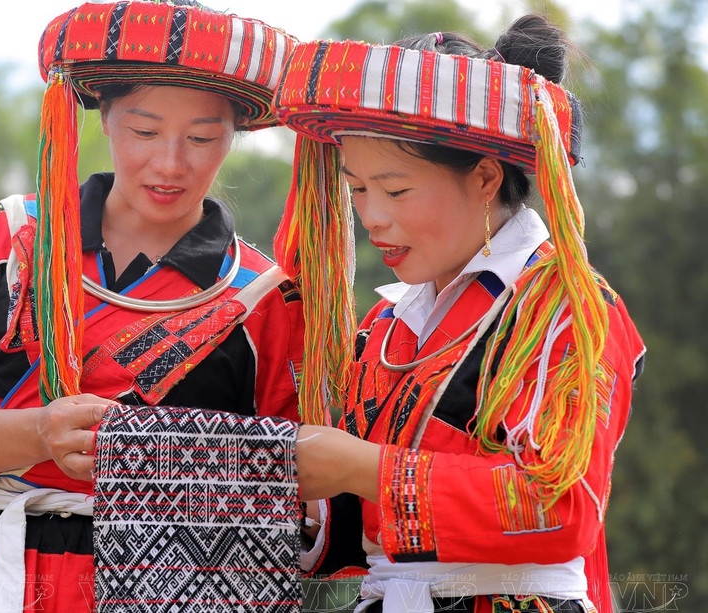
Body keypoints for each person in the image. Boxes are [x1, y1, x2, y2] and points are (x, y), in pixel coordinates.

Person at [0, 2, 304, 611]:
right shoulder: (13, 238)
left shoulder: (261, 294)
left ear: (236, 132)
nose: (171, 163)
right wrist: (36, 433)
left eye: (203, 137)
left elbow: (293, 473)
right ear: (103, 116)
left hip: (182, 583)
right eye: (145, 130)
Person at [269, 15, 647, 613]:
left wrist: (366, 468)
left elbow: (561, 508)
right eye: (356, 189)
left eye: (394, 191)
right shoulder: (384, 326)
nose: (371, 218)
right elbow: (355, 534)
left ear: (485, 178)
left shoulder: (570, 310)